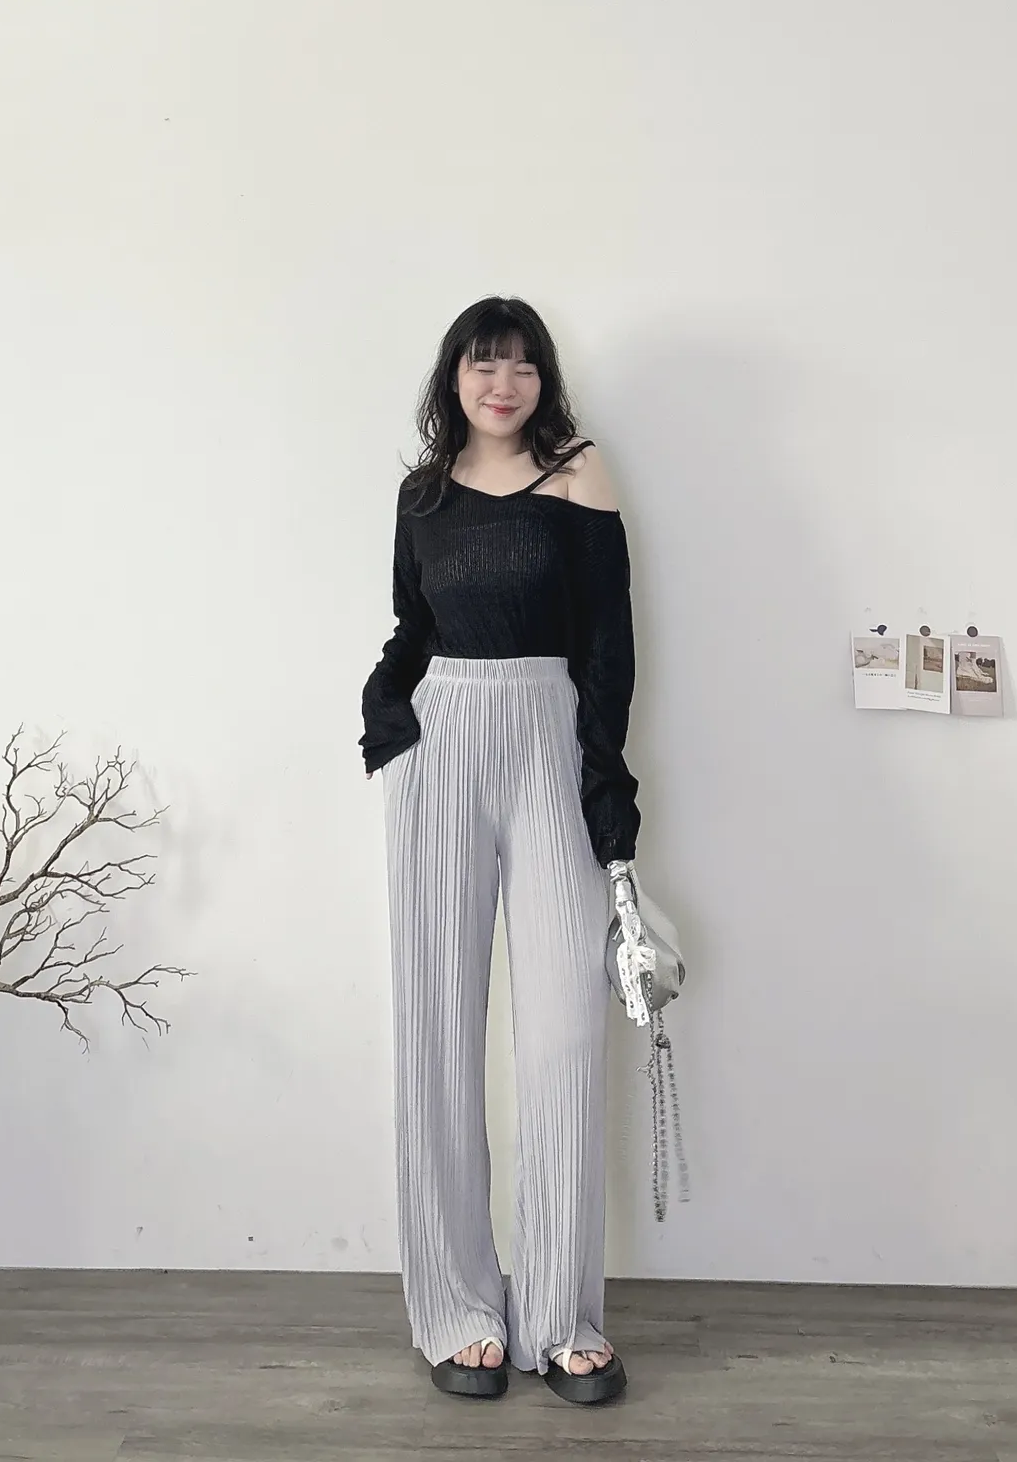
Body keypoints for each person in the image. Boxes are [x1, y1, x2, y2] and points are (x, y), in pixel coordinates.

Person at [360, 296, 641, 1407]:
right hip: (439, 745)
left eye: (522, 366)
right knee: (437, 1026)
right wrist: (388, 725)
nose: (502, 384)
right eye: (483, 364)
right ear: (455, 378)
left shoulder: (579, 476)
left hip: (547, 738)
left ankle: (563, 1318)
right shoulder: (422, 496)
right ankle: (457, 1308)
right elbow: (411, 626)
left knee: (565, 1036)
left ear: (542, 380)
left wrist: (608, 799)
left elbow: (610, 650)